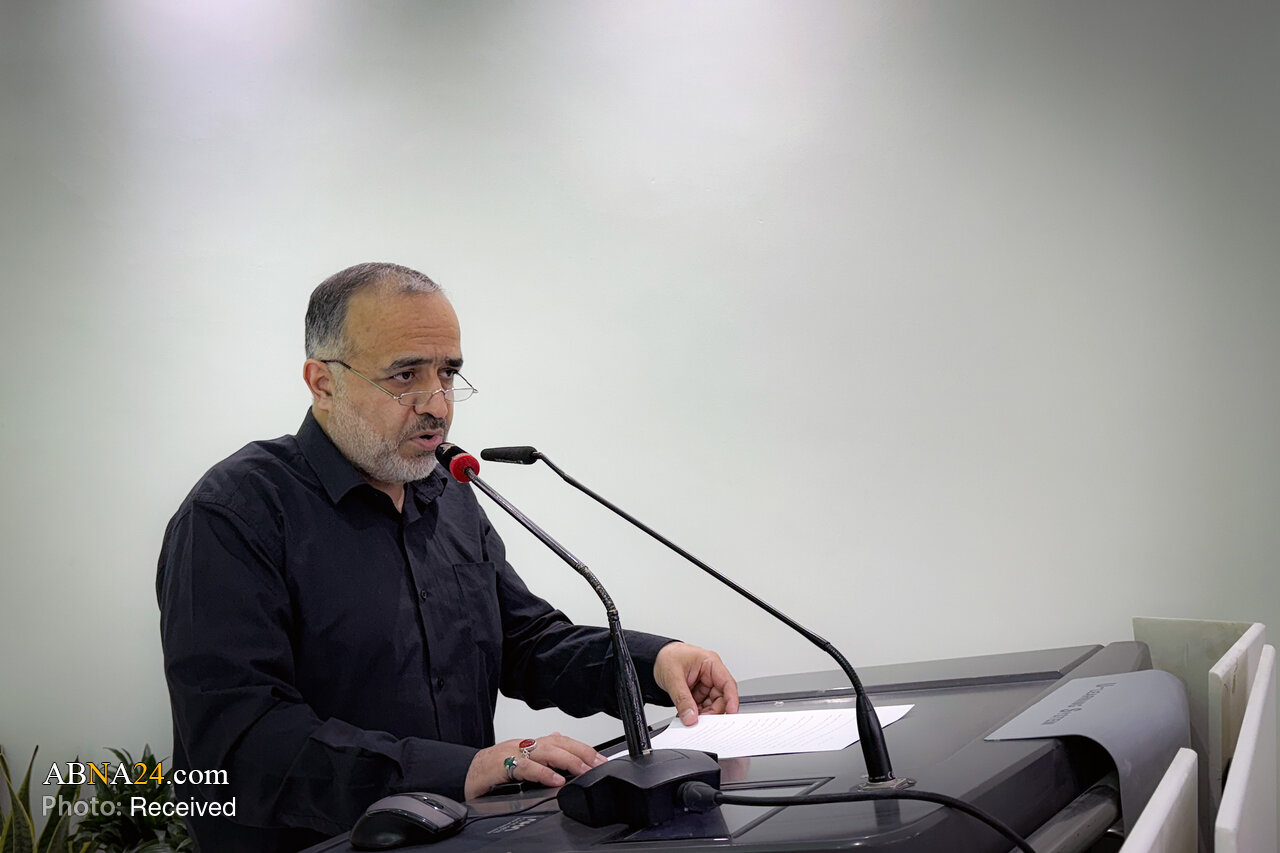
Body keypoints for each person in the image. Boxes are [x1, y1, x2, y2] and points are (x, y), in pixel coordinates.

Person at [156, 262, 739, 853]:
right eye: (406, 375)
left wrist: (653, 662)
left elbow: (526, 643)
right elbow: (238, 740)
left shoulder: (447, 492)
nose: (438, 404)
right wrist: (459, 770)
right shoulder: (234, 513)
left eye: (448, 373)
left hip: (460, 837)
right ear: (323, 383)